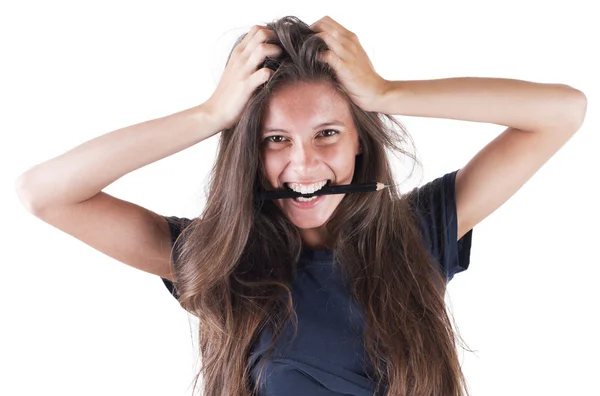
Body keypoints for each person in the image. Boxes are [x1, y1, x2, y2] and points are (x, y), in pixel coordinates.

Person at [15, 15, 587, 396]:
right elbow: (45, 194)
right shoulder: (221, 260)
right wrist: (210, 115)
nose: (305, 166)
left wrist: (387, 93)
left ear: (361, 139)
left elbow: (563, 111)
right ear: (250, 153)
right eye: (276, 140)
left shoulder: (419, 232)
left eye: (328, 134)